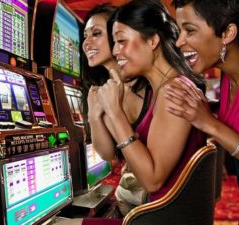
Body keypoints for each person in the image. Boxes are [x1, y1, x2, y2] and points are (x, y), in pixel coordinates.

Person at [55, 0, 206, 224]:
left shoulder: (173, 90)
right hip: (158, 210)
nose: (116, 51)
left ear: (152, 40)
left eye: (121, 41)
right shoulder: (166, 88)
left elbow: (152, 181)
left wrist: (115, 114)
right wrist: (97, 116)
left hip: (158, 216)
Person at [166, 0, 239, 224]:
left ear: (227, 33)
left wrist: (211, 124)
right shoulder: (228, 72)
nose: (179, 42)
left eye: (190, 30)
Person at [81, 4, 150, 216]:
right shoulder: (104, 89)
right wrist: (94, 115)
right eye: (85, 35)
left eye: (96, 33)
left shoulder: (142, 85)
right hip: (129, 196)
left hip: (150, 201)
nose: (86, 42)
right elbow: (108, 153)